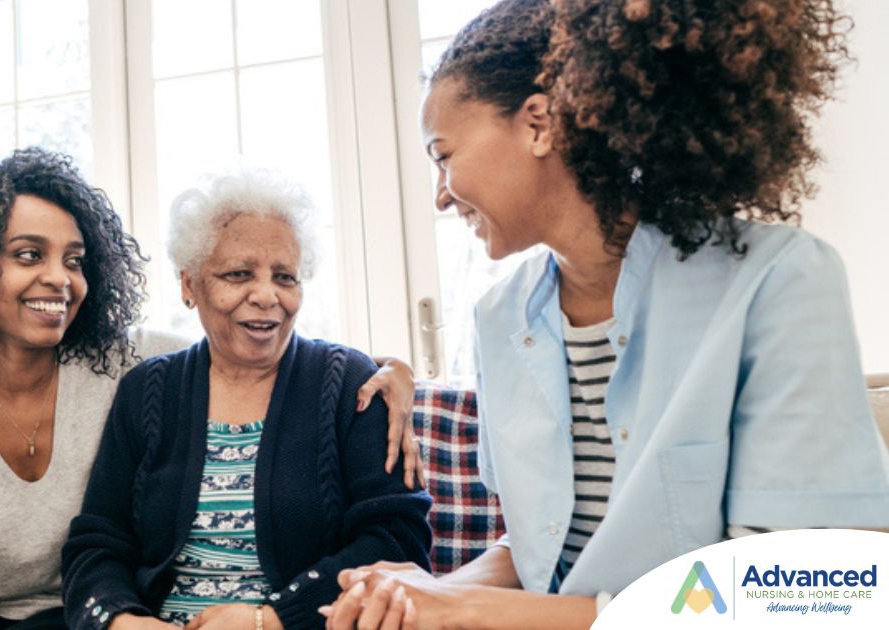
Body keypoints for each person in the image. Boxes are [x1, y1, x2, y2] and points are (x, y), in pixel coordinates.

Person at [324, 0, 889, 628]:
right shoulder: (497, 317)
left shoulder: (778, 281)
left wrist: (474, 613)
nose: (439, 195)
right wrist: (425, 593)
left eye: (444, 154)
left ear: (538, 124)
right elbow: (543, 545)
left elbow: (814, 593)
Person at [0, 149, 418, 630]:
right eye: (27, 255)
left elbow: (252, 355)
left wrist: (393, 371)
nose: (60, 280)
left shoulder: (125, 362)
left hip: (70, 613)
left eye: (74, 260)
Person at [60, 169, 433, 630]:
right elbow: (98, 542)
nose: (266, 296)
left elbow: (397, 540)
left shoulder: (351, 385)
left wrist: (272, 619)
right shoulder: (147, 390)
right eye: (238, 275)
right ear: (188, 285)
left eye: (285, 277)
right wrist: (120, 620)